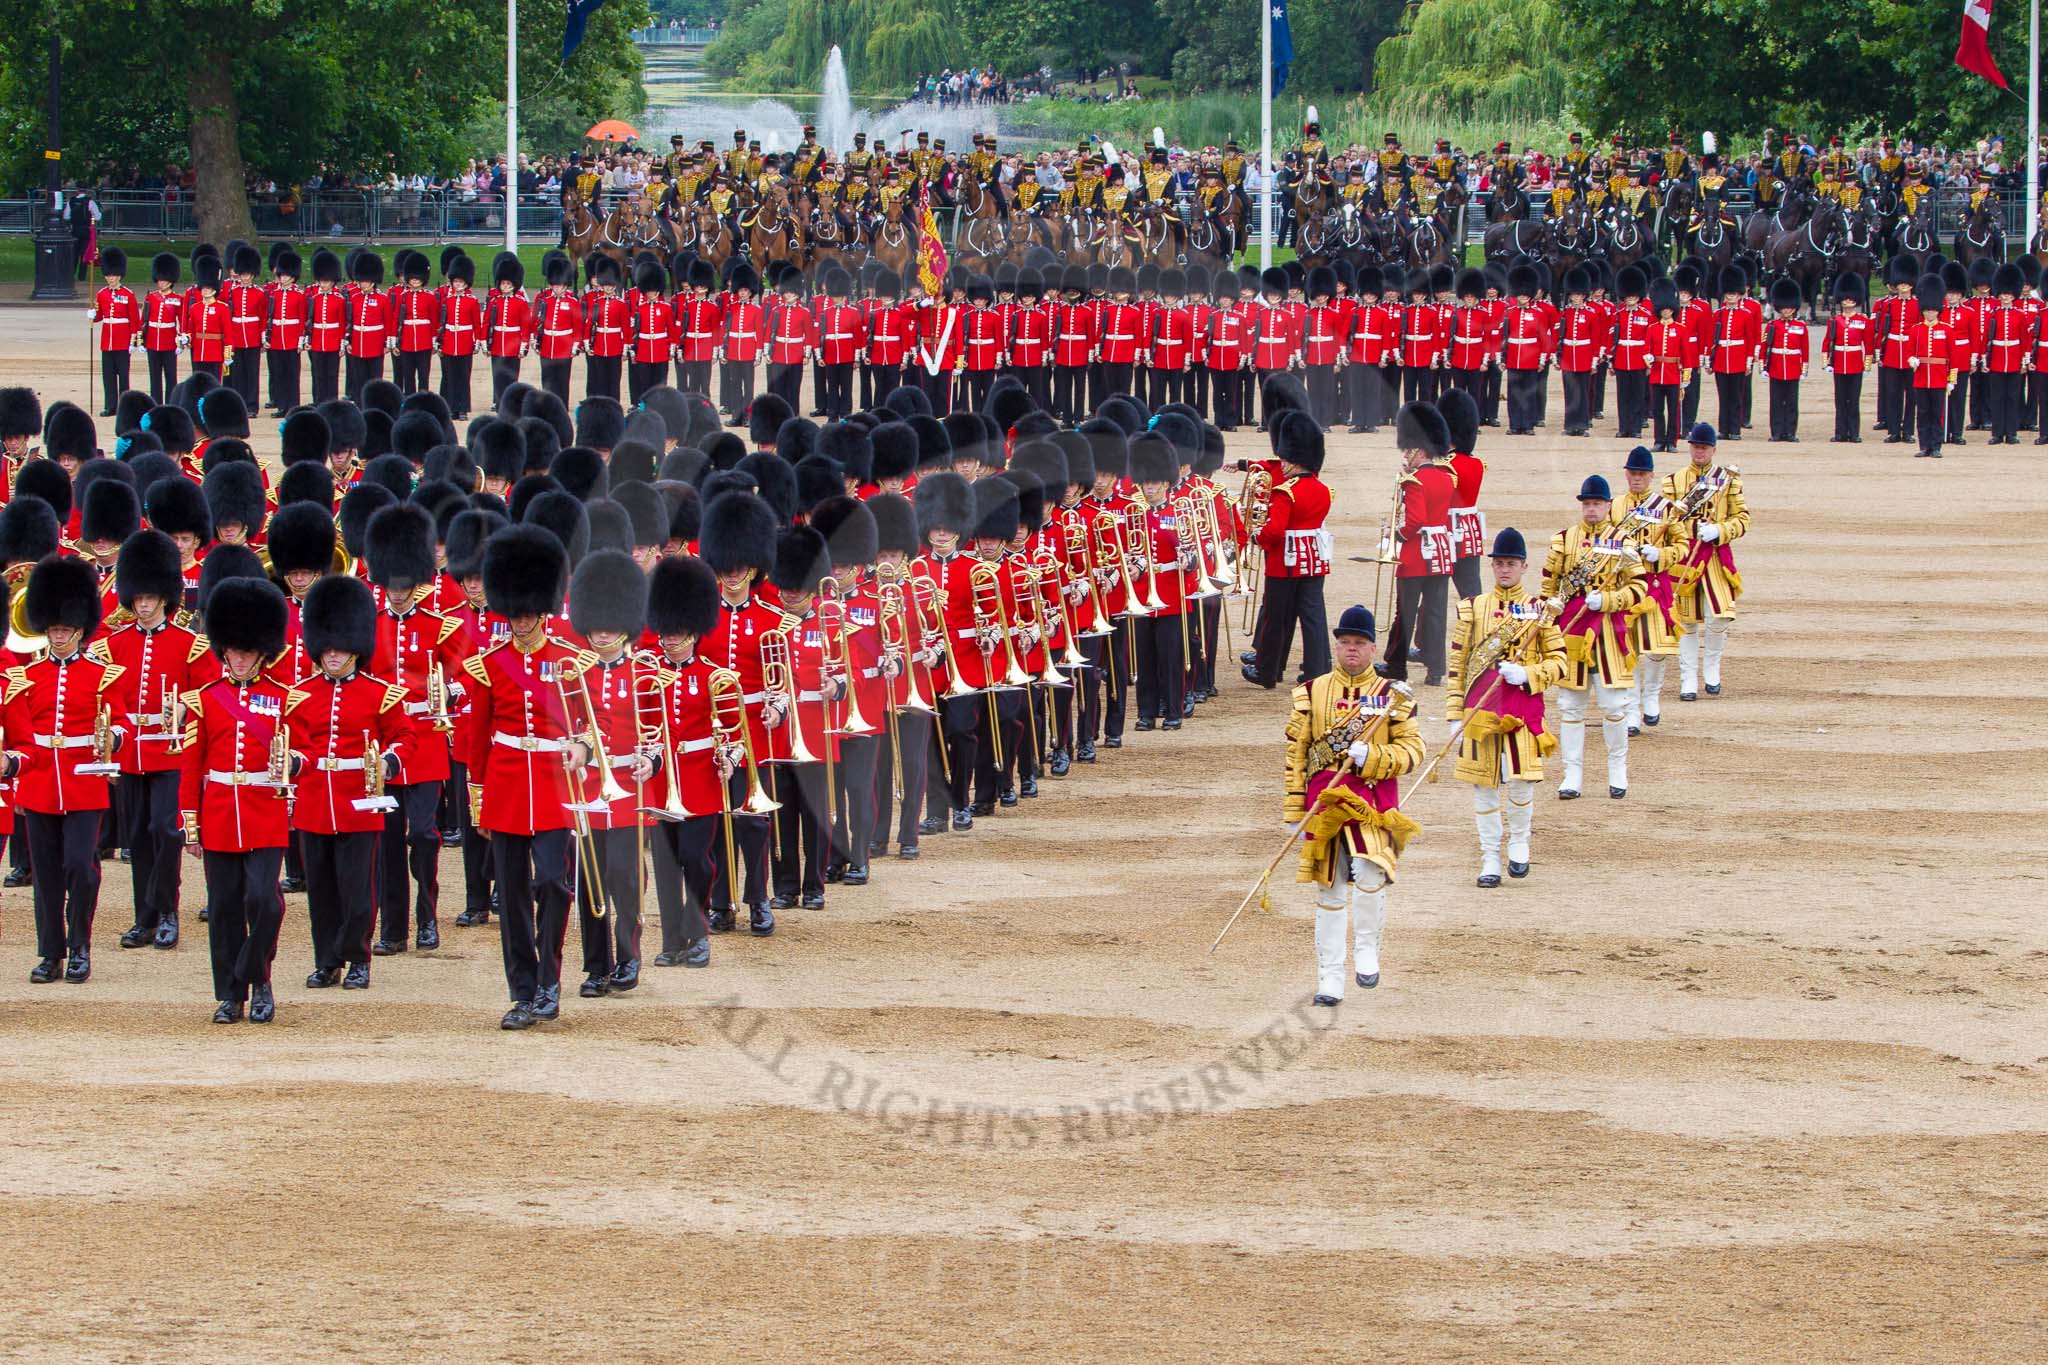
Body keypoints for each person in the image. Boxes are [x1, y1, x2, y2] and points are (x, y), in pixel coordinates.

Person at [463, 524, 585, 1029]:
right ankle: (523, 990)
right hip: (508, 784)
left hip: (556, 784)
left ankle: (550, 980)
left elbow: (589, 724)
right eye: (514, 611)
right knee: (511, 895)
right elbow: (475, 736)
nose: (521, 620)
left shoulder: (570, 662)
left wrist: (580, 746)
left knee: (555, 883)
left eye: (528, 611)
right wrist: (478, 798)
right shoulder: (489, 665)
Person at [1282, 605, 1423, 1005]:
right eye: (1344, 643)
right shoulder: (1311, 692)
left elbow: (1413, 751)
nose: (1351, 651)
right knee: (1329, 890)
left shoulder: (1392, 697)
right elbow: (1297, 755)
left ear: (1373, 649)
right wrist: (1295, 812)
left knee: (1369, 875)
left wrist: (1373, 758)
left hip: (1373, 802)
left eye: (1359, 644)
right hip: (1324, 805)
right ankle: (1330, 977)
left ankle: (1366, 949)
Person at [286, 572, 415, 991]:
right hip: (313, 802)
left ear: (356, 648)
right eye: (327, 647)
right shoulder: (300, 693)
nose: (334, 655)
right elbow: (294, 741)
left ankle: (357, 957)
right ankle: (327, 961)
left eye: (342, 647)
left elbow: (405, 737)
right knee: (321, 890)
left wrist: (389, 763)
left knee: (359, 890)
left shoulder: (382, 693)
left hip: (361, 800)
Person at [174, 575, 290, 1022]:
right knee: (223, 908)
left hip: (264, 809)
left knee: (265, 900)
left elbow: (296, 751)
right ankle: (231, 993)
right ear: (223, 649)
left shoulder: (283, 699)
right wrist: (191, 822)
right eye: (234, 651)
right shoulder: (204, 700)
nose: (240, 659)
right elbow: (191, 766)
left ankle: (257, 976)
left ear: (262, 651)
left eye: (248, 651)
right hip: (220, 811)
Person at [4, 555, 124, 984]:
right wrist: (15, 771)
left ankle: (81, 945)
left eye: (65, 629)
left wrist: (112, 739)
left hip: (83, 782)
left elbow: (122, 723)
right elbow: (22, 739)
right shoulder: (27, 676)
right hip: (38, 785)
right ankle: (52, 953)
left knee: (80, 866)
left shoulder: (101, 675)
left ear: (79, 629)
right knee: (48, 875)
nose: (58, 635)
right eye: (52, 628)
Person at [97, 530, 206, 952]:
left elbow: (201, 696)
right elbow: (106, 698)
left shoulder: (190, 644)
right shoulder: (113, 645)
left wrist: (181, 706)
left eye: (150, 598)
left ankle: (167, 910)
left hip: (170, 750)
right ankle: (144, 917)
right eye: (137, 598)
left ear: (164, 597)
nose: (142, 605)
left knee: (165, 828)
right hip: (129, 753)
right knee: (138, 836)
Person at [365, 503, 467, 956]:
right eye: (392, 585)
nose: (398, 593)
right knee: (386, 840)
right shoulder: (371, 626)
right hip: (385, 746)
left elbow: (459, 676)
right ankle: (393, 928)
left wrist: (452, 693)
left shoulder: (438, 626)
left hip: (425, 742)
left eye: (405, 586)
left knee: (424, 835)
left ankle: (427, 917)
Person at [1445, 529, 1565, 886]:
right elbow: (1459, 664)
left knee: (1520, 784)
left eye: (1511, 563)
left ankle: (1519, 843)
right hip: (1480, 711)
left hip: (1521, 713)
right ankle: (1488, 858)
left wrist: (1528, 673)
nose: (1504, 569)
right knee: (1483, 788)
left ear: (1524, 566)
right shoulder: (1473, 608)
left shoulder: (1540, 612)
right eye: (1499, 563)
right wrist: (1454, 713)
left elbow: (1559, 663)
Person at [563, 549, 655, 996]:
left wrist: (650, 760)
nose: (601, 634)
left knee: (625, 876)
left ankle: (628, 956)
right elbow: (571, 723)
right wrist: (578, 744)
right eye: (595, 626)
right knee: (590, 880)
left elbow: (660, 733)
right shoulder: (577, 675)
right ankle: (596, 965)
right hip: (591, 787)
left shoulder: (644, 674)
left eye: (609, 626)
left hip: (630, 787)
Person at [1542, 474, 1647, 800]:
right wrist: (1552, 607)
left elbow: (1639, 588)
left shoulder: (1623, 542)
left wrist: (1610, 601)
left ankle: (1618, 770)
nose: (1591, 509)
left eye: (1597, 504)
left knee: (1614, 705)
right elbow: (1549, 586)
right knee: (1571, 706)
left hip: (1607, 634)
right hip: (1572, 631)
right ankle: (1572, 774)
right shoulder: (1563, 540)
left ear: (1606, 506)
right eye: (1587, 504)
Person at [1242, 409, 1332, 689]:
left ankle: (1268, 670)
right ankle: (1317, 669)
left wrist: (1256, 536)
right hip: (1314, 560)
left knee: (1275, 617)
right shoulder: (1323, 489)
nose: (1281, 463)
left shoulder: (1286, 491)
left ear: (1293, 460)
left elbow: (1275, 530)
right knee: (1313, 617)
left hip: (1285, 561)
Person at [1666, 424, 1750, 701]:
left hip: (1715, 556)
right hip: (1685, 557)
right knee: (1687, 623)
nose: (1699, 451)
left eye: (1704, 447)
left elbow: (1742, 519)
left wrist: (1720, 531)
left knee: (1720, 616)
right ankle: (1688, 677)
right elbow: (1665, 523)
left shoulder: (1728, 481)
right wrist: (1685, 534)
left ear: (1714, 449)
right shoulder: (1674, 482)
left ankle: (1711, 669)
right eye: (1695, 446)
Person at [1378, 401, 1455, 686]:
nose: (1405, 456)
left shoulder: (1413, 481)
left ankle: (1396, 666)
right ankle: (1436, 669)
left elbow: (1415, 520)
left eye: (1408, 451)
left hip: (1416, 554)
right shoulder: (1447, 479)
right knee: (1435, 613)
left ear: (1419, 451)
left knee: (1405, 612)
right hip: (1441, 553)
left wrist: (1396, 536)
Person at [1614, 447, 1680, 732]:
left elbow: (1682, 546)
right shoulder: (1615, 506)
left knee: (1656, 649)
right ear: (1626, 474)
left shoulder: (1666, 508)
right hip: (1626, 586)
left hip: (1654, 585)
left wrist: (1661, 555)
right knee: (1628, 651)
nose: (1637, 479)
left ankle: (1651, 694)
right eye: (1633, 474)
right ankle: (1631, 709)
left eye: (1642, 474)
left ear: (1651, 476)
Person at [1906, 273, 1954, 458]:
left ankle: (1936, 446)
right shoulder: (1916, 330)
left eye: (1933, 310)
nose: (1930, 313)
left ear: (1938, 310)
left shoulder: (1947, 330)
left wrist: (1952, 379)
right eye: (1927, 310)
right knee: (1923, 414)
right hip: (1921, 378)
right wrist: (1912, 360)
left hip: (1940, 377)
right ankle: (1924, 445)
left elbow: (1953, 359)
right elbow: (1910, 352)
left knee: (1937, 414)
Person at [1821, 272, 1871, 442]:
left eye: (1851, 299)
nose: (1848, 301)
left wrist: (1867, 365)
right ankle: (1840, 432)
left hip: (1856, 364)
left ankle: (1854, 432)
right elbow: (1827, 342)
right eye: (1845, 299)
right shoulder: (1834, 321)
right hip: (1839, 363)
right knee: (1840, 400)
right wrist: (1827, 362)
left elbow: (1868, 345)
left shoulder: (1863, 321)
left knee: (1854, 400)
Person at [90, 247, 140, 416]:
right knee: (108, 377)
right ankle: (111, 406)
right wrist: (93, 315)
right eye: (108, 275)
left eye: (113, 275)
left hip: (123, 340)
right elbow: (99, 316)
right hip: (107, 341)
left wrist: (134, 341)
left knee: (123, 377)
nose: (110, 278)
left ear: (119, 275)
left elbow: (134, 319)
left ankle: (124, 407)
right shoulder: (101, 294)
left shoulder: (128, 294)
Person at [1762, 277, 1808, 441]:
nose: (1786, 310)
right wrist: (1763, 367)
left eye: (1789, 307)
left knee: (1791, 402)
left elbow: (1805, 350)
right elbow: (1764, 347)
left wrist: (1804, 369)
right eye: (1783, 307)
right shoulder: (1772, 325)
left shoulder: (1801, 326)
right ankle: (1776, 432)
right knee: (1776, 402)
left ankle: (1790, 432)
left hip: (1793, 367)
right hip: (1776, 367)